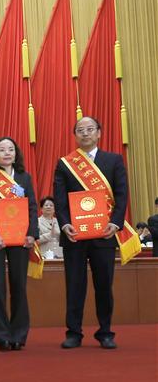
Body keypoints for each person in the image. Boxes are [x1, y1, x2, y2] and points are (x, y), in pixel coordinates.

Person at [54, 117, 130, 350]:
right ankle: (73, 332)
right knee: (74, 284)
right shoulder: (65, 163)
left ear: (99, 133)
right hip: (75, 235)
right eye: (80, 130)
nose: (85, 133)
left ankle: (105, 331)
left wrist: (116, 224)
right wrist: (65, 224)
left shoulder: (114, 160)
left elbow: (121, 195)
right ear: (75, 135)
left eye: (89, 129)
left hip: (104, 234)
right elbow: (59, 198)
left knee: (104, 284)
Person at [0, 137, 38, 351]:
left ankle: (19, 334)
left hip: (21, 238)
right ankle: (1, 335)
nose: (7, 153)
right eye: (1, 150)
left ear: (16, 153)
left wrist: (32, 234)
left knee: (18, 285)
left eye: (11, 149)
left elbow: (32, 207)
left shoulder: (24, 178)